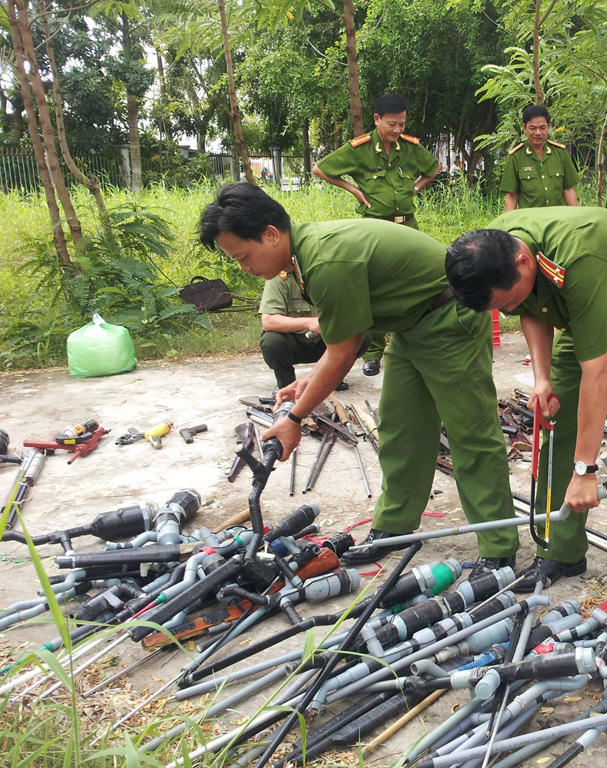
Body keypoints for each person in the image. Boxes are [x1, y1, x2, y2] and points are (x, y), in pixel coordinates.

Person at [199, 183, 518, 572]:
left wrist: (295, 418)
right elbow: (339, 341)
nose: (244, 268)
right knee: (401, 431)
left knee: (470, 436)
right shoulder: (302, 256)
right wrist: (309, 382)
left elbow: (344, 352)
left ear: (270, 234)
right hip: (410, 325)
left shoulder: (325, 260)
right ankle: (394, 528)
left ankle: (499, 546)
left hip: (448, 319)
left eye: (243, 256)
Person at [446, 208, 607, 608]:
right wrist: (541, 379)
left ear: (523, 261)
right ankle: (559, 552)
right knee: (556, 422)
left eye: (509, 297)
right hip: (579, 312)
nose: (508, 307)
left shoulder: (577, 258)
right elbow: (530, 309)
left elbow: (598, 373)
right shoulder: (500, 253)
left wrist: (586, 470)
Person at [312, 94, 440, 377]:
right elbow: (320, 169)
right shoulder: (360, 149)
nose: (397, 130)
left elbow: (434, 168)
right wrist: (355, 190)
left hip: (407, 225)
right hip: (374, 227)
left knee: (422, 281)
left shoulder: (409, 147)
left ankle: (418, 341)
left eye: (402, 124)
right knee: (376, 289)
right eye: (392, 124)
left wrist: (416, 188)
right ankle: (373, 353)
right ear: (376, 119)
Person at [258, 275, 354, 392]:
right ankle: (287, 387)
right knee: (271, 341)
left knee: (361, 334)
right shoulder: (280, 278)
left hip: (327, 343)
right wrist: (308, 322)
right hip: (294, 344)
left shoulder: (333, 274)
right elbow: (269, 321)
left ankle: (333, 378)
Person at [500, 105, 580, 211]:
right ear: (524, 128)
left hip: (558, 220)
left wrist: (576, 220)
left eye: (542, 128)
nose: (538, 133)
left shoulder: (560, 153)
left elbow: (568, 190)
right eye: (532, 128)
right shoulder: (516, 157)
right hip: (529, 222)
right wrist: (508, 226)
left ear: (548, 127)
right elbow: (511, 196)